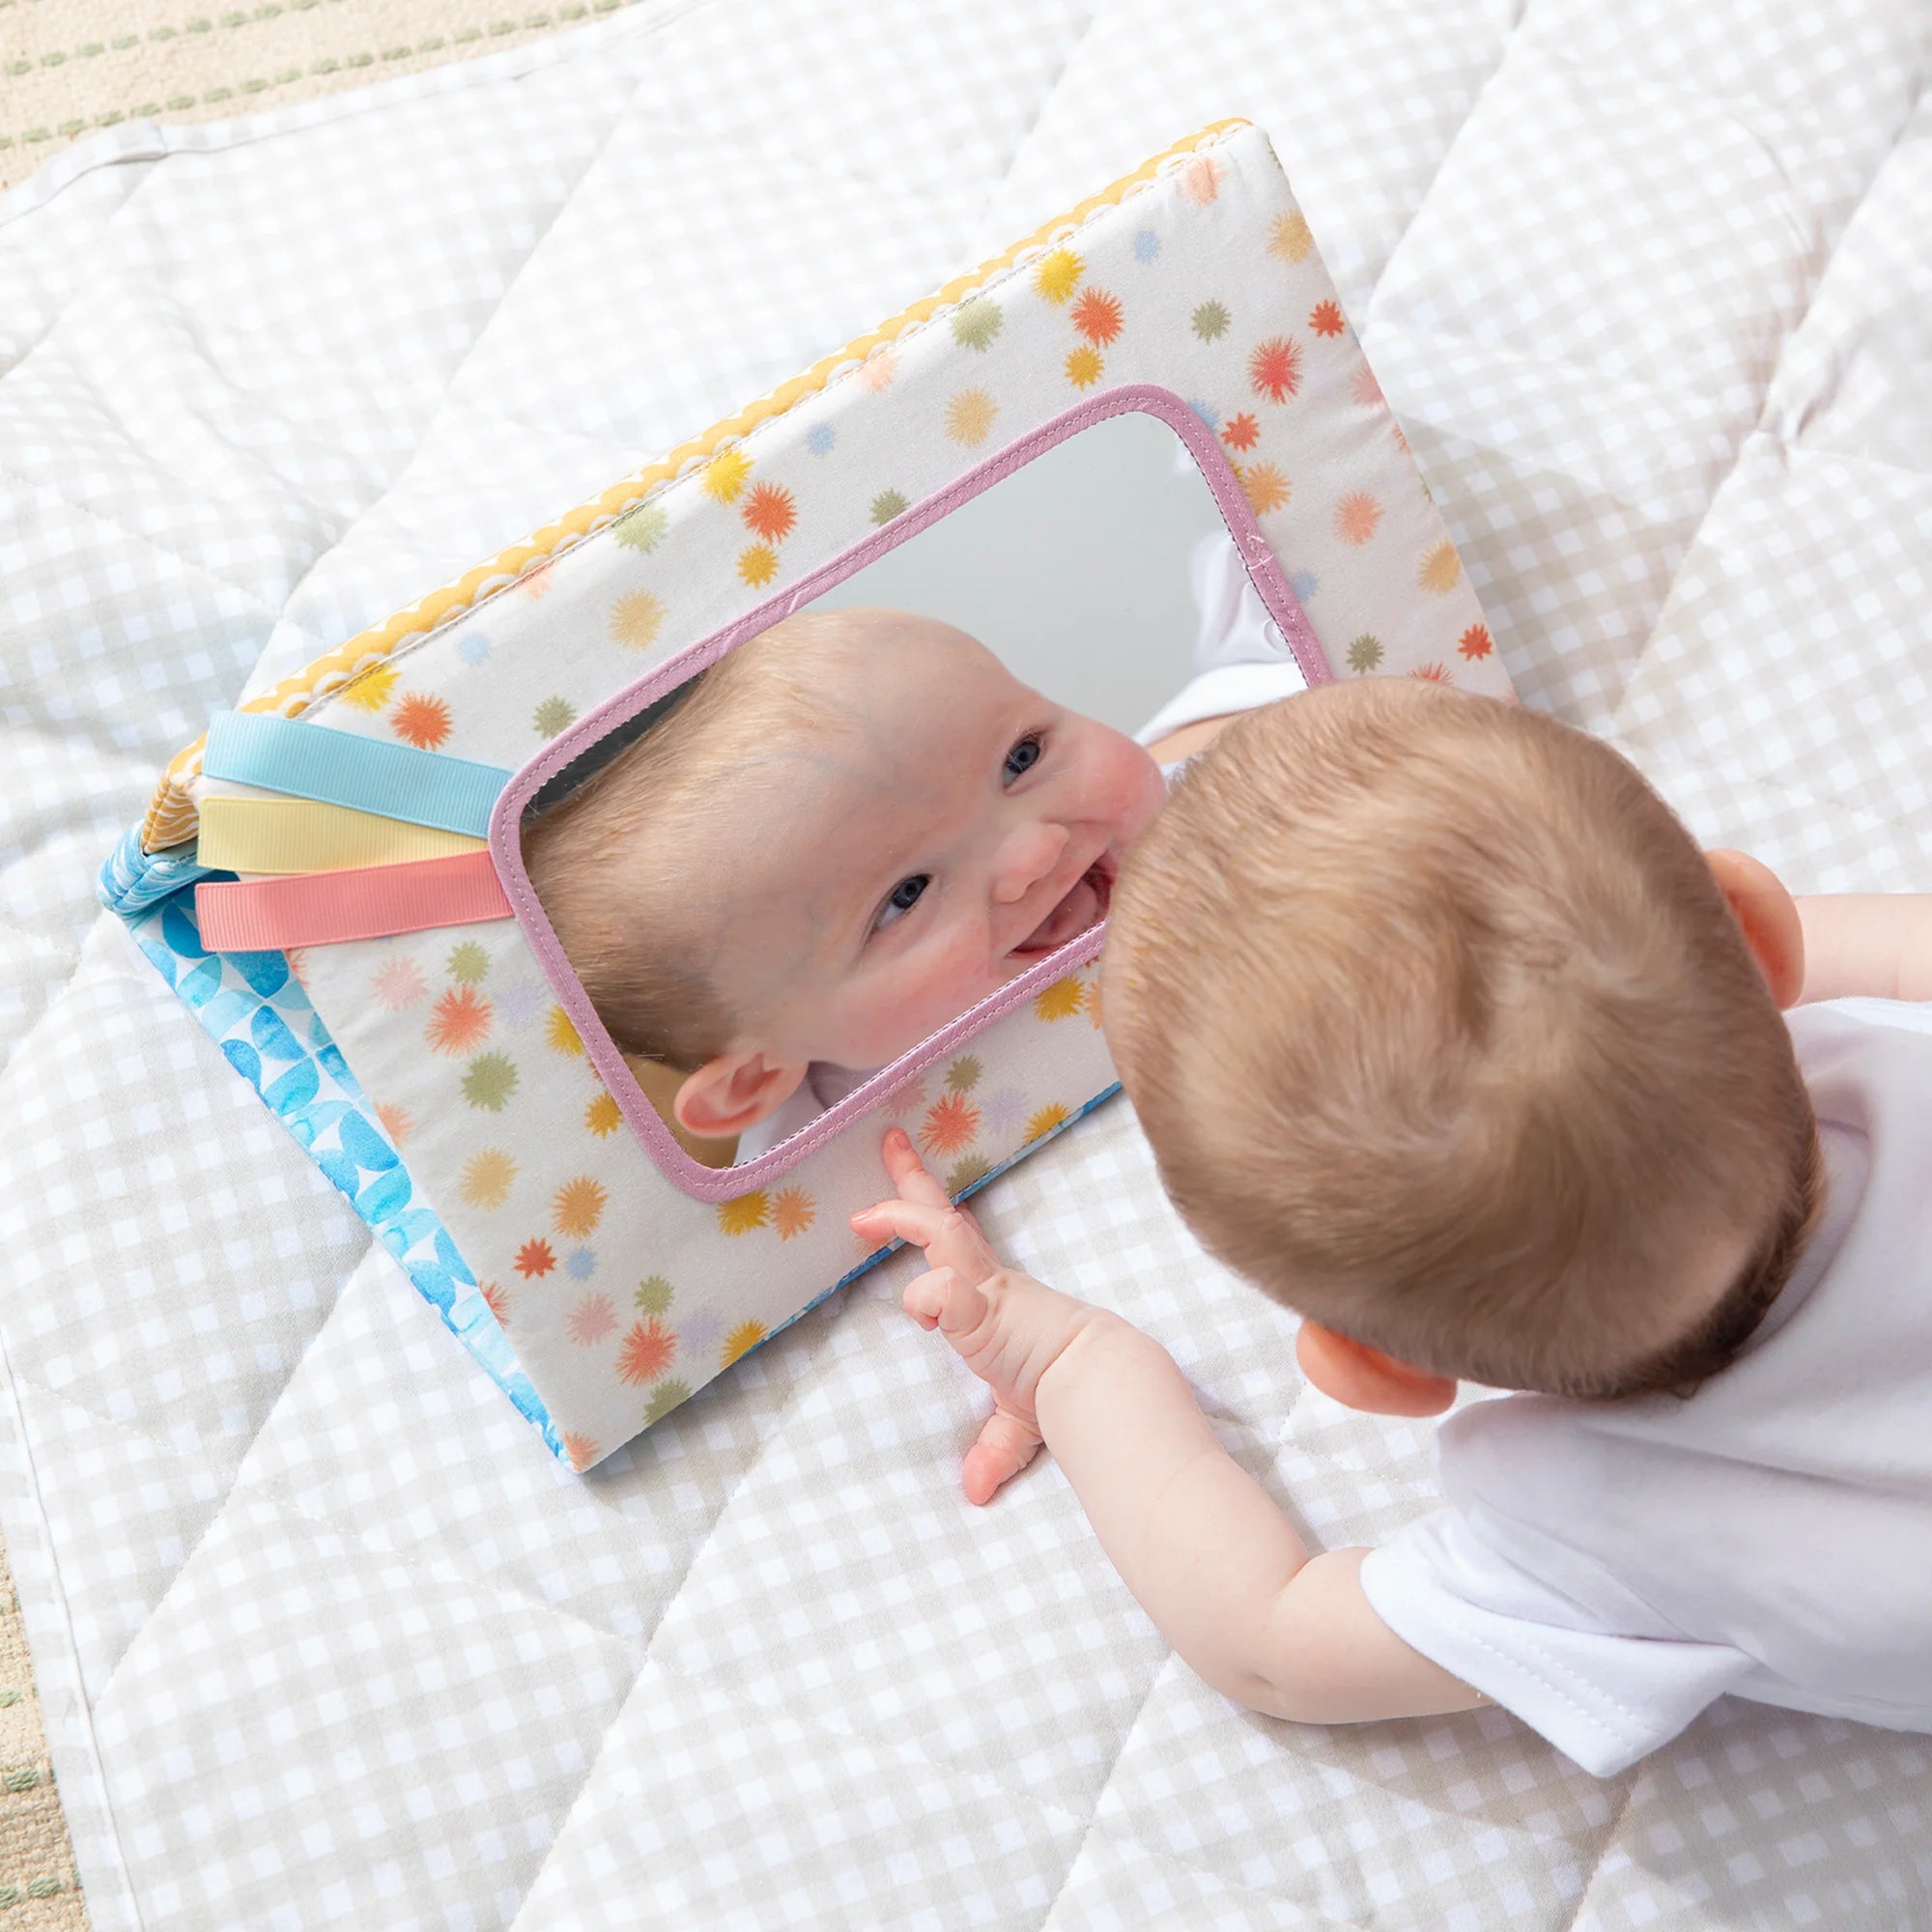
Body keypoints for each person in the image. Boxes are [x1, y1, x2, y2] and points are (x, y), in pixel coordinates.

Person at [855, 677, 1932, 1776]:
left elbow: (1269, 1644)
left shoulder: (1595, 1529)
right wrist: (1697, 940)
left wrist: (1070, 1364)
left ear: (1378, 1367)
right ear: (1759, 938)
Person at [522, 606, 1169, 1164]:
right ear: (753, 1079)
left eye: (1021, 758)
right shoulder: (831, 1182)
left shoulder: (1208, 820)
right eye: (906, 895)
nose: (1034, 851)